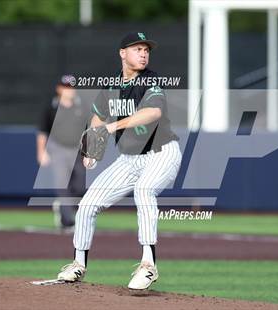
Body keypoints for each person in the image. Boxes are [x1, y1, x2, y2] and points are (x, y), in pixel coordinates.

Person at [57, 32, 182, 290]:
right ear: (122, 53)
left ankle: (148, 265)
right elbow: (97, 118)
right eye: (137, 48)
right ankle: (78, 264)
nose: (144, 53)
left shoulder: (151, 81)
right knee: (88, 204)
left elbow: (153, 112)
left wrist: (113, 126)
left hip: (162, 153)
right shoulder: (111, 86)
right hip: (129, 159)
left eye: (146, 49)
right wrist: (93, 148)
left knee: (144, 190)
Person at [37, 76, 90, 229]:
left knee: (80, 186)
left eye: (72, 87)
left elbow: (88, 131)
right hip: (58, 150)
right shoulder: (52, 107)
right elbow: (42, 131)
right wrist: (41, 152)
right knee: (62, 185)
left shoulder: (81, 106)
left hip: (78, 150)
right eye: (67, 87)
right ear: (59, 89)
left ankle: (63, 207)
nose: (70, 90)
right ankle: (67, 221)